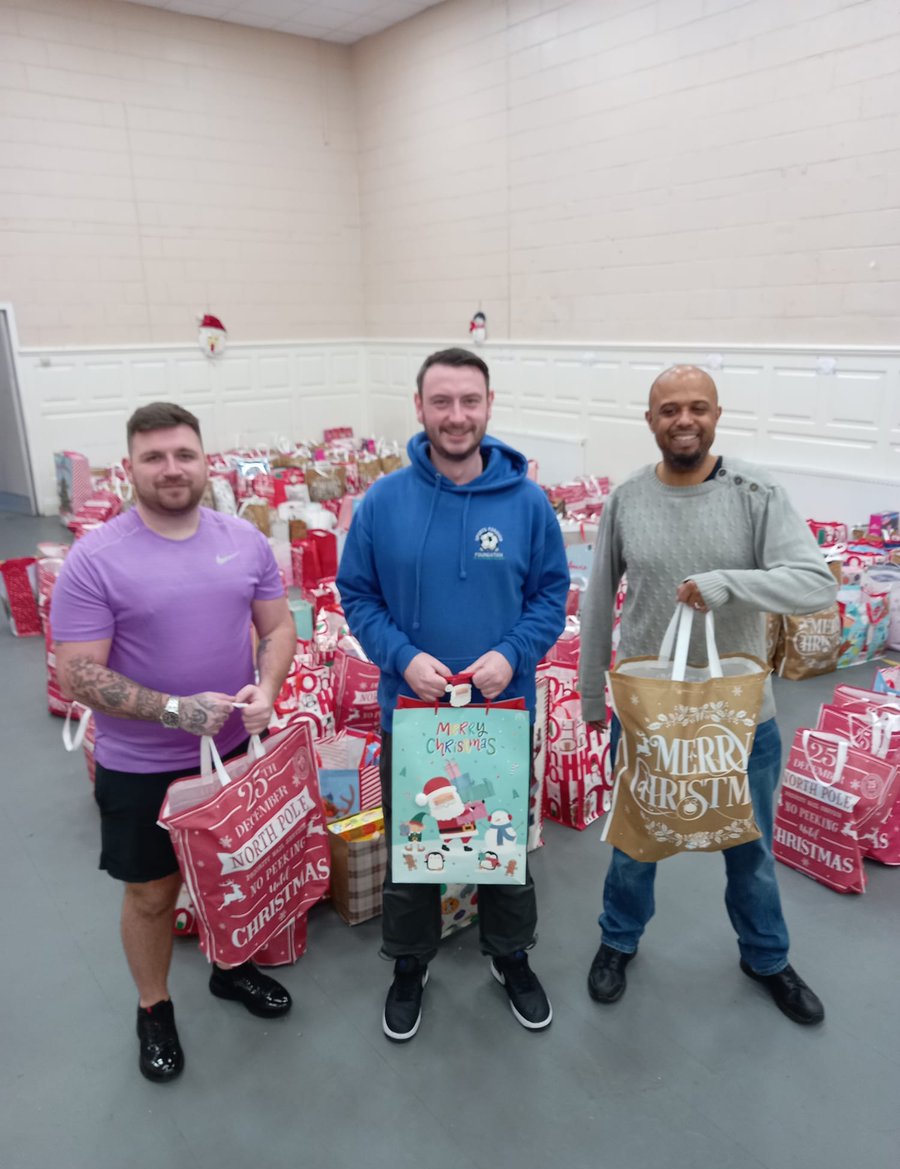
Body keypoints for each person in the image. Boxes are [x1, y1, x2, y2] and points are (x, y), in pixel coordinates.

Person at [579, 364, 837, 1025]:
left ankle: (767, 956)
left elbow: (814, 583)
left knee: (749, 850)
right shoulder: (628, 499)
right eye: (669, 410)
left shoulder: (756, 492)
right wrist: (588, 703)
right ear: (650, 421)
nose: (684, 420)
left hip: (741, 717)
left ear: (717, 414)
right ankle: (618, 941)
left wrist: (735, 582)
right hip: (647, 716)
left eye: (697, 407)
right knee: (637, 843)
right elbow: (600, 600)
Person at [52, 402, 297, 1082]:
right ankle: (153, 1006)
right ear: (128, 468)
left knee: (232, 876)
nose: (171, 469)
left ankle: (231, 967)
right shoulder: (95, 559)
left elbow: (277, 630)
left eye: (183, 455)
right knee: (153, 895)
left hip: (237, 755)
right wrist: (170, 710)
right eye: (153, 457)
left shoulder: (242, 541)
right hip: (141, 765)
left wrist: (268, 687)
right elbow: (76, 672)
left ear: (204, 460)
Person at [337, 347, 569, 1040]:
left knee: (501, 848)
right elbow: (358, 594)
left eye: (470, 401)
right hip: (412, 716)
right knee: (416, 853)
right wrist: (403, 659)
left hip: (499, 715)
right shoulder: (383, 502)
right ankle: (410, 963)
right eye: (442, 402)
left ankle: (511, 957)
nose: (457, 415)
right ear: (419, 409)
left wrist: (512, 654)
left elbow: (551, 596)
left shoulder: (528, 502)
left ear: (489, 406)